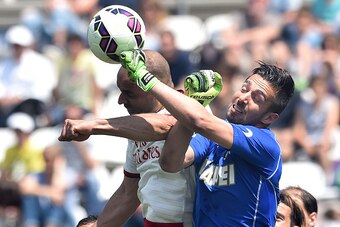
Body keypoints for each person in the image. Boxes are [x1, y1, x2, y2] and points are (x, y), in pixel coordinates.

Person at [118, 49, 295, 226]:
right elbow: (170, 163)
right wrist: (195, 101)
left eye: (257, 98)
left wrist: (147, 79)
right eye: (244, 89)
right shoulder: (211, 139)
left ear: (269, 118)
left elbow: (200, 120)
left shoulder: (264, 143)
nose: (243, 98)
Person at [58, 50, 199, 226]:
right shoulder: (138, 125)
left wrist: (94, 125)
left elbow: (166, 125)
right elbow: (128, 192)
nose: (120, 100)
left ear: (153, 88)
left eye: (129, 93)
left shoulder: (193, 106)